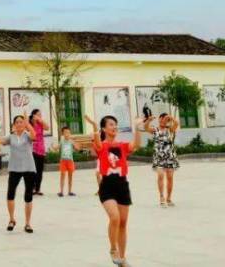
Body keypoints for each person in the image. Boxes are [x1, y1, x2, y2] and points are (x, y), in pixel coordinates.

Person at [86, 114, 143, 267]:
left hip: (122, 185)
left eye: (116, 124)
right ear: (104, 128)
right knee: (115, 217)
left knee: (123, 223)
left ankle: (122, 259)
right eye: (111, 124)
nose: (114, 127)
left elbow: (136, 144)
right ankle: (113, 249)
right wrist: (93, 126)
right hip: (107, 187)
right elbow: (97, 143)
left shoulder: (122, 146)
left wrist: (137, 128)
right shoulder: (102, 146)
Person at [0, 114, 37, 233]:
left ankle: (27, 223)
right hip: (14, 168)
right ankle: (11, 220)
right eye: (17, 122)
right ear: (14, 125)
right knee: (10, 194)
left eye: (21, 122)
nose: (19, 124)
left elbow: (34, 136)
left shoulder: (27, 135)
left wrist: (28, 124)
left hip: (29, 168)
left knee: (28, 196)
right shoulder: (11, 137)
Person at [142, 113, 179, 207]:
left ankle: (169, 198)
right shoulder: (155, 130)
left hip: (170, 156)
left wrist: (171, 118)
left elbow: (177, 124)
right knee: (160, 175)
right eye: (162, 118)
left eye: (165, 119)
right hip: (159, 157)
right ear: (159, 119)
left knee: (170, 177)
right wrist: (149, 120)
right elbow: (146, 127)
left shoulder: (170, 129)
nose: (163, 120)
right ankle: (162, 197)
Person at [28, 109, 48, 195]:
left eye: (41, 115)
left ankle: (38, 189)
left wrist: (40, 120)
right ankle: (32, 188)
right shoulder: (30, 124)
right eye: (38, 115)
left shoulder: (41, 124)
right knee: (33, 170)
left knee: (40, 171)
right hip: (32, 150)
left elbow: (47, 127)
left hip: (41, 149)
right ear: (33, 115)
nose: (40, 116)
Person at [57, 125, 76, 197]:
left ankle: (70, 191)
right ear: (63, 134)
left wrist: (76, 145)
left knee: (70, 176)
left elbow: (77, 148)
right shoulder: (61, 141)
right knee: (62, 176)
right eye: (65, 133)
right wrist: (54, 147)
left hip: (70, 161)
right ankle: (61, 191)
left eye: (68, 133)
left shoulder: (71, 141)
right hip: (63, 161)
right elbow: (57, 147)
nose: (67, 134)